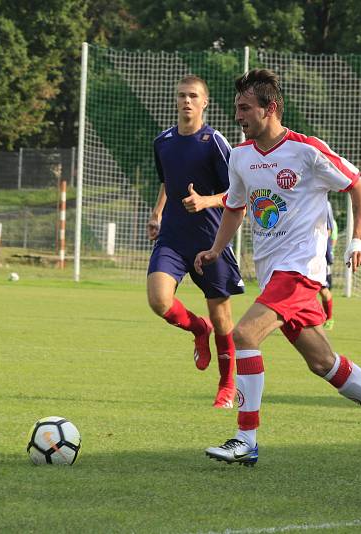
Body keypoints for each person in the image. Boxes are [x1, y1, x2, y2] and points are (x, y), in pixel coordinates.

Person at [194, 69, 361, 465]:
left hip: (301, 268)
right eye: (236, 108)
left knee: (244, 334)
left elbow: (356, 186)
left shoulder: (306, 150)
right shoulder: (241, 156)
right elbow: (235, 207)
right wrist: (215, 249)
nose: (238, 116)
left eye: (245, 108)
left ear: (270, 108)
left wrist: (358, 238)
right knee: (323, 364)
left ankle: (246, 440)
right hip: (271, 272)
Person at [147, 75, 244, 409]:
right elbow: (167, 182)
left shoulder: (214, 141)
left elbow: (237, 191)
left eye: (193, 96)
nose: (186, 101)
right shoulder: (163, 142)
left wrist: (206, 201)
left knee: (223, 319)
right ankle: (196, 329)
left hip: (210, 239)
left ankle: (227, 385)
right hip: (173, 237)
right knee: (159, 301)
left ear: (205, 103)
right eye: (181, 96)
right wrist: (157, 212)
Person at [319, 200, 338, 330]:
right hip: (303, 255)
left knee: (323, 290)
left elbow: (330, 231)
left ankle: (329, 319)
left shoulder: (325, 204)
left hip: (321, 256)